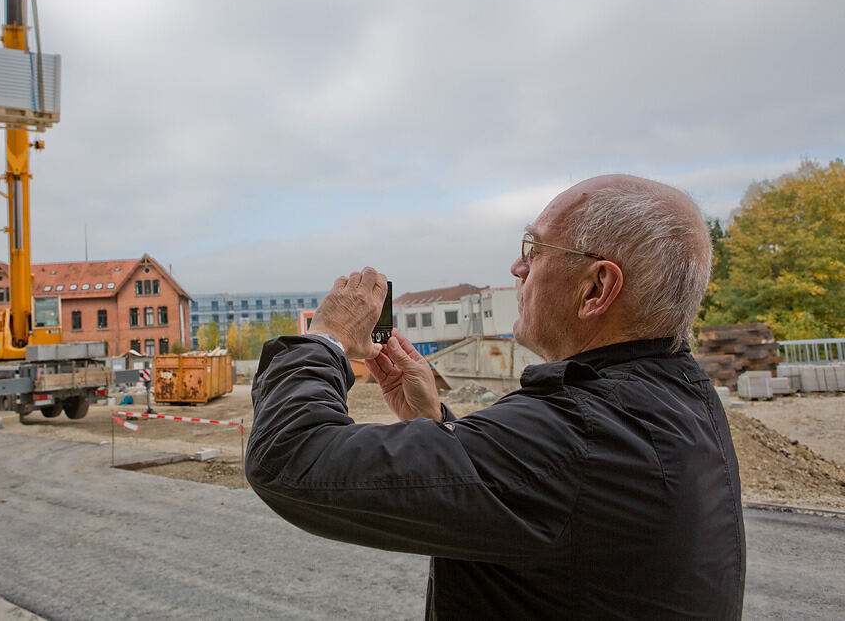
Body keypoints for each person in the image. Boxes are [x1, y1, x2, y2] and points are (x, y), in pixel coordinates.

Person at [245, 175, 745, 619]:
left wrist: (326, 340)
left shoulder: (577, 435)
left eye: (536, 248)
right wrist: (434, 423)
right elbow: (550, 504)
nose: (516, 267)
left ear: (597, 288)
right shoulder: (678, 399)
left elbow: (289, 458)